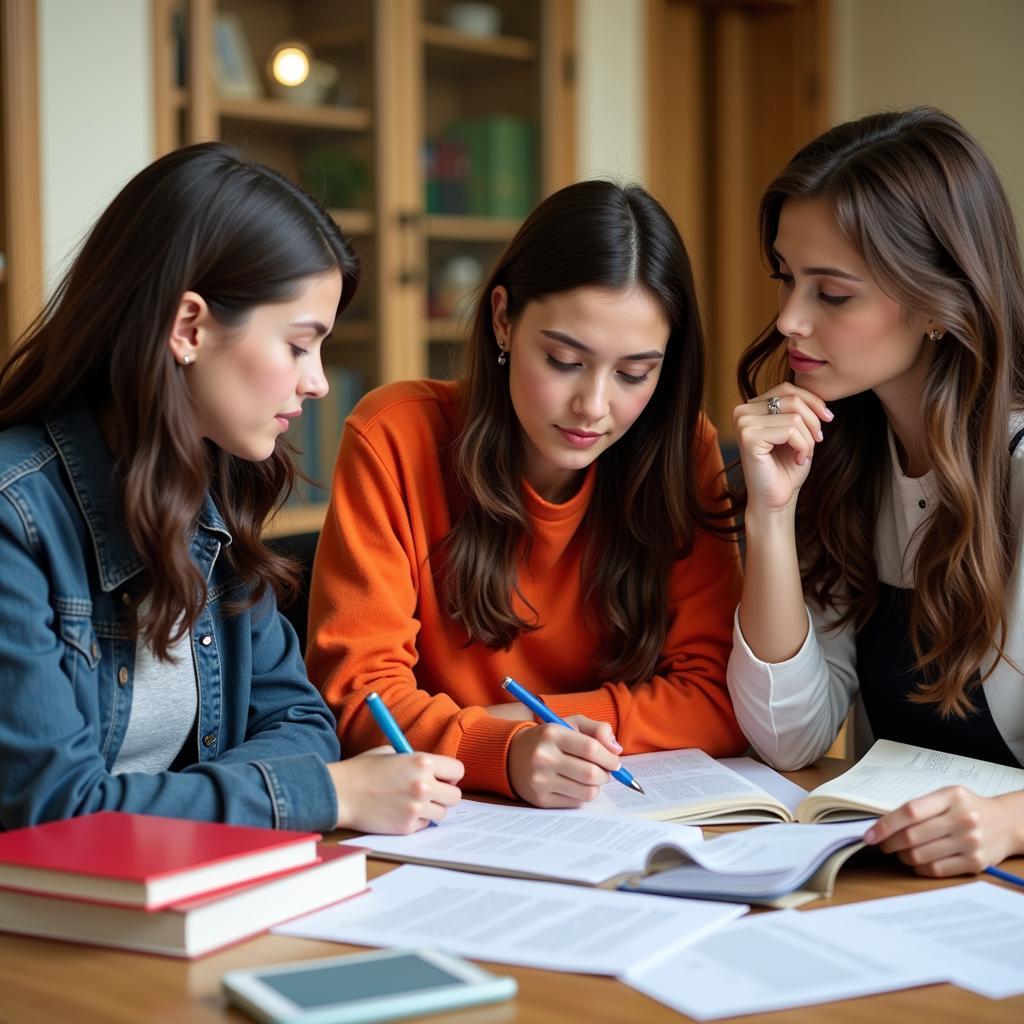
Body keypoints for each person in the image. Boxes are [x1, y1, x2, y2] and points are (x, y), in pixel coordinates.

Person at [0, 142, 462, 834]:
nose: (318, 382)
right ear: (188, 327)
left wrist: (205, 798)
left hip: (190, 894)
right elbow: (56, 811)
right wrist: (326, 796)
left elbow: (303, 721)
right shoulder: (15, 515)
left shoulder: (207, 492)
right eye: (299, 345)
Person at [306, 179, 747, 808]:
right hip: (445, 825)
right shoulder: (394, 437)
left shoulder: (683, 454)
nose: (593, 407)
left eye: (633, 373)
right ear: (503, 318)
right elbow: (357, 699)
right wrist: (501, 750)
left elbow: (719, 699)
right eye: (565, 361)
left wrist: (513, 726)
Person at [727, 107, 1024, 875]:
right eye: (787, 280)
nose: (789, 320)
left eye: (833, 293)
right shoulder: (841, 458)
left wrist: (1008, 823)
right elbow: (789, 738)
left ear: (935, 302)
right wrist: (771, 515)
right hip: (900, 884)